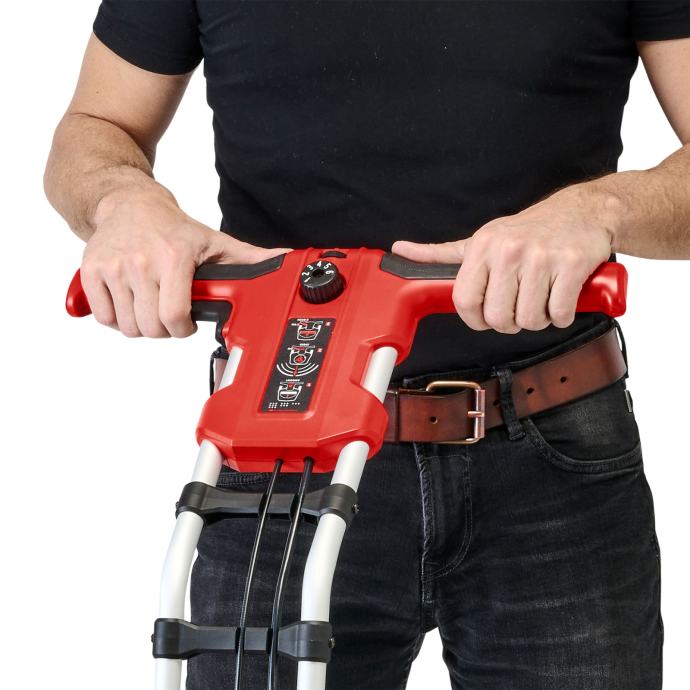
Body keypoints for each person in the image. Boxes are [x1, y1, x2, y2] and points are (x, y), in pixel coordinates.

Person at [45, 2, 690, 689]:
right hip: (283, 446)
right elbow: (98, 124)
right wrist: (123, 201)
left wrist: (599, 210)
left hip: (552, 453)